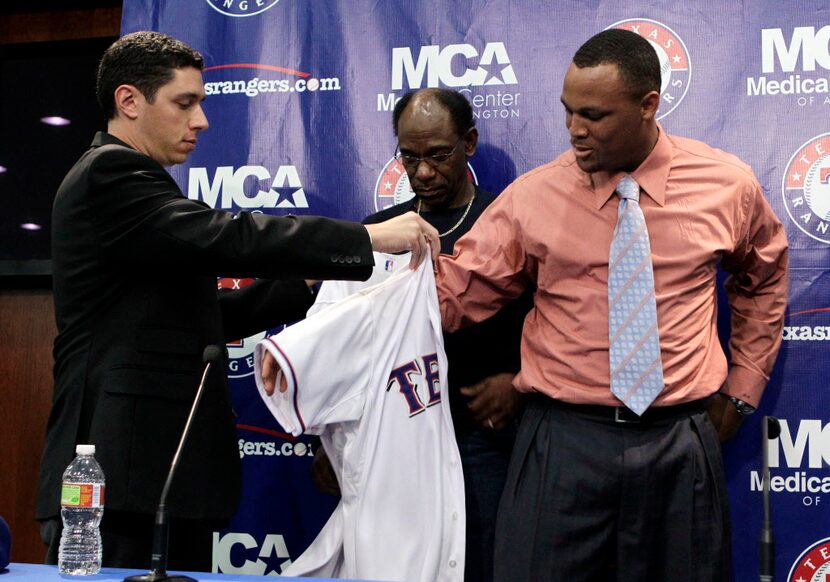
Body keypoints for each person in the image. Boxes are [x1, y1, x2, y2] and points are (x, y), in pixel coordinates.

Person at [36, 31, 438, 573]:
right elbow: (228, 236)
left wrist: (306, 288)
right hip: (119, 475)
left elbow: (195, 322)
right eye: (185, 103)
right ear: (129, 101)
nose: (201, 121)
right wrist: (365, 239)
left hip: (159, 475)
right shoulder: (111, 175)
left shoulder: (138, 184)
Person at [434, 29, 789, 581]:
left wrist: (742, 390)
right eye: (568, 112)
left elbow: (763, 278)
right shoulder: (533, 196)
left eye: (594, 115)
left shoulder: (727, 185)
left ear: (649, 105)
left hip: (681, 443)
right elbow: (453, 293)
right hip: (562, 444)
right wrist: (343, 281)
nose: (575, 130)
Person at [363, 88, 530, 582]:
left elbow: (557, 323)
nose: (422, 172)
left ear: (469, 143)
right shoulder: (378, 232)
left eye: (437, 155)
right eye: (409, 157)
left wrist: (520, 382)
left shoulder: (507, 224)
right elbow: (357, 345)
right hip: (396, 438)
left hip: (487, 437)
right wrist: (334, 446)